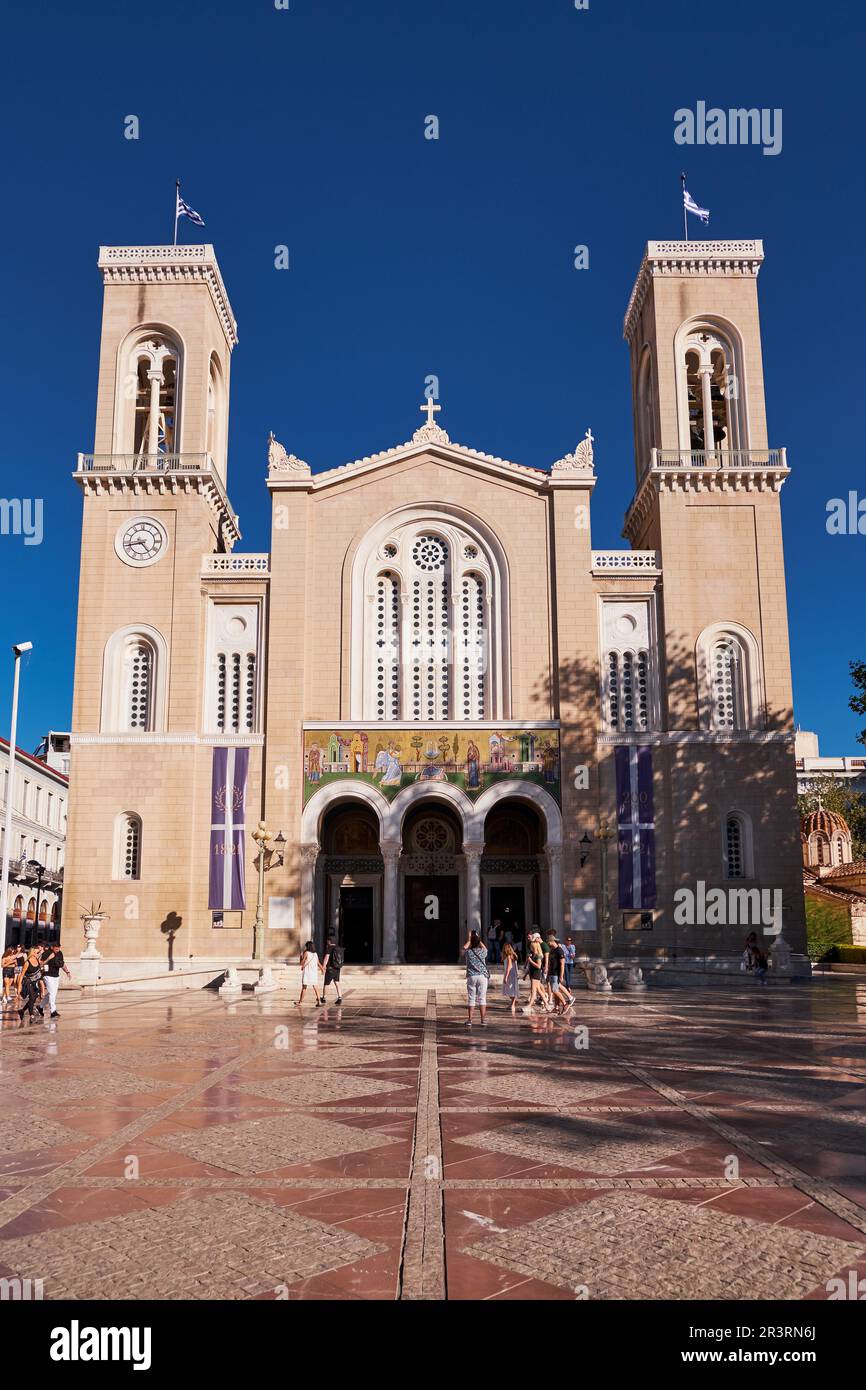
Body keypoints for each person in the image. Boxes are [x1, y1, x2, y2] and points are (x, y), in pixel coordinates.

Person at [462, 929, 489, 1026]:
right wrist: (477, 938)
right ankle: (483, 1020)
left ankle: (470, 1020)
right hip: (482, 976)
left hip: (472, 976)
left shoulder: (469, 952)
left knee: (471, 998)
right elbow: (485, 948)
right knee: (482, 998)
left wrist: (470, 939)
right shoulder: (482, 952)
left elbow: (462, 950)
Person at [545, 931, 574, 1015]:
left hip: (556, 974)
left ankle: (565, 1004)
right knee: (555, 991)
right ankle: (556, 1007)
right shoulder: (552, 950)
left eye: (549, 942)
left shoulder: (559, 950)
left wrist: (561, 975)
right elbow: (550, 963)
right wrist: (547, 974)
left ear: (552, 941)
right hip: (551, 973)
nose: (548, 944)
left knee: (554, 990)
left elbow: (562, 964)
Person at [16, 946, 45, 1026]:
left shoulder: (37, 960)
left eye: (38, 953)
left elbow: (39, 975)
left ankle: (22, 1011)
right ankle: (32, 1016)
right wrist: (19, 987)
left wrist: (42, 987)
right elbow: (21, 975)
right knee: (32, 997)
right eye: (36, 952)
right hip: (27, 982)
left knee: (33, 999)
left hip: (35, 983)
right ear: (32, 953)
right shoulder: (27, 962)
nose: (37, 954)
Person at [522, 933, 550, 1014]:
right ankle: (547, 1005)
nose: (530, 948)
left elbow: (538, 966)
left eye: (531, 947)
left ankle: (529, 1006)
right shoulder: (534, 954)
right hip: (533, 973)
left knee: (534, 991)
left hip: (536, 973)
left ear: (535, 947)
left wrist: (530, 961)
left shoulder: (538, 955)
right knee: (538, 990)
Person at [41, 941, 70, 1018]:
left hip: (56, 976)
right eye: (56, 949)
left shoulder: (60, 953)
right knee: (52, 993)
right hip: (47, 975)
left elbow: (62, 963)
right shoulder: (46, 953)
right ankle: (53, 1011)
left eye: (58, 949)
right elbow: (41, 964)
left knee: (52, 993)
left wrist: (67, 972)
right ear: (52, 947)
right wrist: (49, 958)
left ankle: (40, 1007)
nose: (58, 950)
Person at [295, 940, 322, 1006]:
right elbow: (318, 963)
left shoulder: (306, 953)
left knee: (304, 988)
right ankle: (319, 1002)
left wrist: (300, 956)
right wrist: (322, 969)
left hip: (307, 973)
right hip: (314, 973)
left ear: (307, 946)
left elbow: (301, 963)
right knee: (315, 987)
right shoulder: (315, 954)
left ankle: (300, 1002)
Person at [319, 934, 344, 1005]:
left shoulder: (329, 948)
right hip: (337, 968)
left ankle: (324, 998)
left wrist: (323, 967)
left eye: (327, 940)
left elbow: (326, 958)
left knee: (326, 984)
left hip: (330, 969)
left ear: (329, 941)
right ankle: (339, 997)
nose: (327, 942)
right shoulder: (338, 947)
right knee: (337, 983)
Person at [501, 942, 520, 1016]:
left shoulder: (509, 956)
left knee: (510, 989)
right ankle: (513, 1002)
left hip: (510, 975)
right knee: (509, 989)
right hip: (513, 974)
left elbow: (509, 967)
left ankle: (513, 1004)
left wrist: (506, 976)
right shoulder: (512, 955)